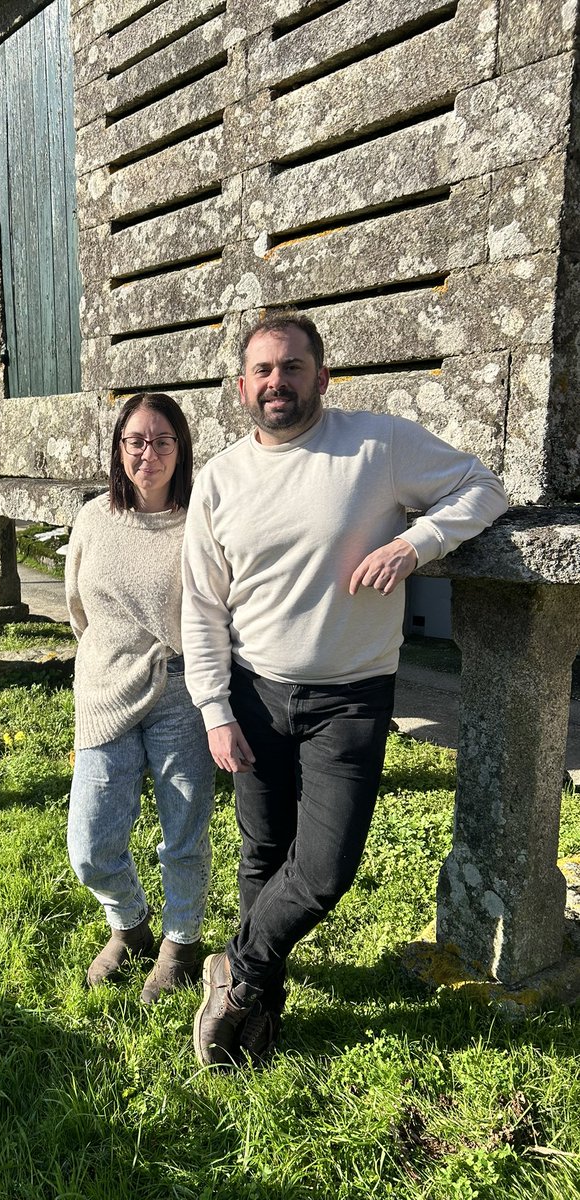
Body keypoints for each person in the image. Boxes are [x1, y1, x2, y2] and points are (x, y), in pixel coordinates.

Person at [181, 309, 508, 1066]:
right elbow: (200, 605)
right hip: (254, 692)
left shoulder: (379, 445)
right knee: (264, 852)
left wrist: (414, 541)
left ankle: (235, 970)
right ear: (241, 386)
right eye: (262, 369)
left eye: (293, 367)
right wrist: (214, 710)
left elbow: (480, 487)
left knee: (324, 871)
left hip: (352, 697)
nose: (277, 381)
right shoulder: (222, 480)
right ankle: (258, 1016)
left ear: (322, 377)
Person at [65, 392, 215, 1004]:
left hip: (181, 688)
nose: (147, 453)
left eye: (162, 441)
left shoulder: (201, 517)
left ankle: (179, 941)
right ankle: (129, 923)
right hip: (105, 687)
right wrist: (109, 656)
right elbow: (78, 608)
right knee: (91, 844)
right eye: (135, 441)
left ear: (180, 450)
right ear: (118, 449)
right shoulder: (93, 518)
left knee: (182, 830)